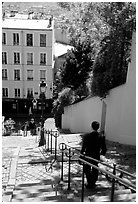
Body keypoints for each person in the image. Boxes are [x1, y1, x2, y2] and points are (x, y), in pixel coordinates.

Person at [80, 121, 107, 189]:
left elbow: (83, 148)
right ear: (98, 127)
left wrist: (81, 156)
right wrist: (101, 155)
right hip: (96, 155)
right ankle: (93, 182)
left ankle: (89, 182)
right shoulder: (101, 137)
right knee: (95, 168)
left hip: (88, 155)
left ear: (91, 127)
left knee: (87, 169)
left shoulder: (86, 136)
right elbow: (104, 149)